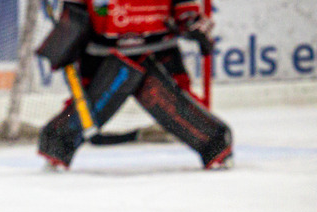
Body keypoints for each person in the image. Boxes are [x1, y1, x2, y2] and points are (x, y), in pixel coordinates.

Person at [36, 0, 232, 169]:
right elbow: (74, 13)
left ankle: (214, 144)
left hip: (157, 50)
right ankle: (56, 145)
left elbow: (186, 10)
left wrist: (193, 25)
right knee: (79, 109)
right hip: (103, 54)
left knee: (184, 103)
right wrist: (65, 38)